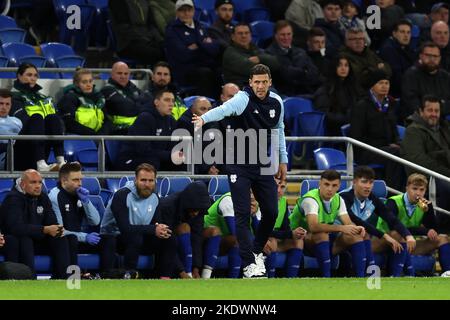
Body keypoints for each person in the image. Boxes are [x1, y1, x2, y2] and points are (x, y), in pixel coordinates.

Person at [193, 64, 288, 278]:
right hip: (239, 164)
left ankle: (255, 251)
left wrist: (283, 159)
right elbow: (223, 110)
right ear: (251, 83)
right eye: (257, 82)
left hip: (263, 163)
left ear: (270, 82)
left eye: (264, 82)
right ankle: (249, 265)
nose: (261, 86)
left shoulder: (277, 102)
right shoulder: (242, 99)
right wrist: (203, 118)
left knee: (271, 211)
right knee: (243, 213)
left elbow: (279, 130)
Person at [99, 163, 177, 278]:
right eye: (143, 180)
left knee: (169, 238)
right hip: (114, 237)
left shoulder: (155, 197)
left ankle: (164, 277)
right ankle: (129, 275)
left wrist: (161, 229)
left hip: (139, 236)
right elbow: (125, 228)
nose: (147, 184)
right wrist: (153, 229)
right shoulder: (121, 195)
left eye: (151, 181)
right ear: (135, 180)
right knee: (135, 237)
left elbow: (156, 222)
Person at [340, 166, 416, 277]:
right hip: (338, 239)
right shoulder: (344, 197)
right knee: (362, 232)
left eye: (371, 182)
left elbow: (391, 218)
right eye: (364, 182)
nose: (368, 186)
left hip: (358, 238)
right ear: (354, 182)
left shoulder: (372, 198)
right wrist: (384, 236)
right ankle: (363, 277)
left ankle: (399, 277)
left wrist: (408, 235)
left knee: (398, 235)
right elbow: (356, 220)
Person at [289, 170, 366, 277]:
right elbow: (313, 226)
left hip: (323, 244)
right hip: (301, 241)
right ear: (320, 183)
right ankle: (326, 277)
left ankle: (361, 278)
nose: (330, 189)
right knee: (322, 234)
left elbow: (348, 224)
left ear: (339, 186)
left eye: (334, 185)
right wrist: (341, 228)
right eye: (326, 184)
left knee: (355, 236)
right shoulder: (310, 199)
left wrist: (356, 229)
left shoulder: (338, 199)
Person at [0, 169, 70, 279]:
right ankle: (30, 279)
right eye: (33, 182)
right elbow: (15, 228)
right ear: (23, 184)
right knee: (24, 239)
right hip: (18, 241)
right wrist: (44, 229)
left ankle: (63, 278)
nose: (38, 186)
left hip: (37, 239)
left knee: (61, 238)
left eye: (40, 182)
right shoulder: (13, 199)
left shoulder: (43, 197)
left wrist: (56, 230)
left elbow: (51, 222)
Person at [378, 173, 450, 275]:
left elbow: (434, 231)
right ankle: (394, 276)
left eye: (422, 190)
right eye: (414, 189)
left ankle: (447, 274)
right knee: (397, 234)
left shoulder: (424, 205)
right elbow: (394, 227)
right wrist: (424, 231)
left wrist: (428, 212)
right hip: (386, 241)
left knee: (442, 238)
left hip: (407, 243)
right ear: (407, 188)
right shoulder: (393, 202)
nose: (418, 193)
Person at [350, 68, 405, 190]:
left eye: (387, 83)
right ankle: (393, 192)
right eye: (380, 83)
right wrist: (386, 146)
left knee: (406, 151)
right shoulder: (362, 106)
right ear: (372, 86)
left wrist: (398, 144)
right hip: (366, 151)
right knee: (394, 154)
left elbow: (395, 133)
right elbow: (356, 137)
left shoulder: (389, 105)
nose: (384, 86)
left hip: (386, 149)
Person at [10, 63, 66, 172]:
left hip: (42, 142)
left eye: (35, 75)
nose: (33, 78)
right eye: (29, 75)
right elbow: (20, 120)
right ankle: (40, 163)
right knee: (37, 117)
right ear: (19, 76)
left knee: (53, 118)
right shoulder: (14, 97)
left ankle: (61, 161)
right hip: (23, 144)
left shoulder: (44, 98)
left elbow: (58, 120)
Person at [401, 95, 450, 216]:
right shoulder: (413, 131)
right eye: (430, 110)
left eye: (436, 111)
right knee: (446, 187)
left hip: (443, 172)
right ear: (421, 111)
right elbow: (417, 160)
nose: (434, 114)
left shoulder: (444, 127)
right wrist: (446, 172)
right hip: (426, 176)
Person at [48, 162, 101, 267]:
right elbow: (59, 231)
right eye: (75, 180)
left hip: (78, 238)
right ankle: (72, 280)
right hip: (62, 241)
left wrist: (86, 201)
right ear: (64, 181)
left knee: (108, 240)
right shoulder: (55, 196)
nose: (80, 183)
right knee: (70, 240)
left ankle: (109, 277)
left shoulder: (78, 193)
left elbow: (95, 221)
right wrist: (85, 237)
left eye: (81, 179)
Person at [165, 0, 222, 98]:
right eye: (182, 10)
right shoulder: (172, 30)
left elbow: (214, 49)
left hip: (204, 64)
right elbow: (183, 55)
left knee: (220, 70)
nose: (186, 13)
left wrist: (197, 45)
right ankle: (206, 106)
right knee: (205, 73)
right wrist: (203, 44)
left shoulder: (200, 26)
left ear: (194, 11)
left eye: (189, 10)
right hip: (184, 70)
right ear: (177, 12)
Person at [117, 89, 182, 171]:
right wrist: (169, 155)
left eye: (173, 101)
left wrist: (177, 155)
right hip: (132, 158)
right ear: (156, 102)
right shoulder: (145, 118)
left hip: (155, 158)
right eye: (167, 100)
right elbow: (143, 150)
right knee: (152, 163)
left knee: (183, 162)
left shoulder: (171, 120)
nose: (171, 104)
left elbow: (172, 147)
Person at [202, 191, 261, 278]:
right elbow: (235, 231)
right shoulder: (229, 200)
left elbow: (259, 232)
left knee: (269, 243)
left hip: (224, 241)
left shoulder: (255, 204)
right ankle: (206, 276)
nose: (252, 197)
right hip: (205, 241)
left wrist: (253, 215)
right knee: (238, 240)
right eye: (249, 192)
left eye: (254, 192)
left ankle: (267, 279)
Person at [159, 181, 211, 278]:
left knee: (213, 231)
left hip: (183, 246)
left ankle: (201, 275)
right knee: (184, 227)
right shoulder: (167, 206)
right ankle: (187, 272)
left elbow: (197, 238)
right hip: (163, 245)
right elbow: (167, 240)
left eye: (198, 210)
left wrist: (196, 268)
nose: (196, 214)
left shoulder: (200, 209)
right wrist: (181, 272)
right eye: (194, 209)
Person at [264, 178, 307, 278]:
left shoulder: (283, 201)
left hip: (272, 238)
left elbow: (285, 229)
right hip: (256, 240)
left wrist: (296, 233)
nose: (278, 190)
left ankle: (291, 280)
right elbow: (262, 230)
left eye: (282, 187)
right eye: (275, 186)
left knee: (298, 241)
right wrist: (290, 234)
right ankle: (269, 279)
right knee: (272, 241)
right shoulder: (259, 200)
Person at [266, 20, 321, 96]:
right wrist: (304, 72)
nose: (286, 37)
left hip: (306, 92)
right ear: (276, 35)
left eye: (289, 34)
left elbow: (314, 73)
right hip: (285, 94)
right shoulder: (269, 54)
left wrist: (298, 73)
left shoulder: (301, 52)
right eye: (283, 34)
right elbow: (285, 75)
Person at [401, 42, 450, 121]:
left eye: (435, 56)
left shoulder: (446, 76)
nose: (432, 59)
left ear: (440, 58)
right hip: (417, 121)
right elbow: (411, 103)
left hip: (441, 120)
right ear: (421, 56)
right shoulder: (411, 75)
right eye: (428, 55)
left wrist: (438, 111)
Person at [109, 0, 166, 66]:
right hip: (128, 42)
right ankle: (155, 74)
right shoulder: (118, 2)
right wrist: (146, 40)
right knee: (156, 53)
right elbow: (124, 28)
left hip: (147, 39)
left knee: (167, 49)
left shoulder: (144, 1)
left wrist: (160, 41)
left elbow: (151, 25)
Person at [222, 23, 280, 88]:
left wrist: (260, 58)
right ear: (233, 37)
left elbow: (276, 62)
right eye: (240, 33)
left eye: (246, 33)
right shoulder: (230, 53)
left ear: (251, 35)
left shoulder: (255, 49)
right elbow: (251, 70)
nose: (244, 36)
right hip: (242, 90)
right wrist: (265, 63)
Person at [313, 54, 358, 137]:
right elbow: (323, 113)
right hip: (332, 128)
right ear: (334, 67)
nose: (343, 68)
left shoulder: (352, 88)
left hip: (349, 125)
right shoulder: (326, 89)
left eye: (346, 65)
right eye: (339, 65)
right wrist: (346, 120)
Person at [57, 68, 112, 136]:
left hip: (99, 136)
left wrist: (101, 134)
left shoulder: (99, 97)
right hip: (80, 138)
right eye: (84, 82)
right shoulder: (70, 98)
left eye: (90, 81)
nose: (88, 85)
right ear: (76, 83)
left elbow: (107, 120)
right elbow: (68, 122)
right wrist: (93, 134)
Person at [101, 62, 151, 134]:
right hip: (118, 131)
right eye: (119, 73)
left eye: (126, 74)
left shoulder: (132, 87)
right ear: (112, 74)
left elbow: (148, 102)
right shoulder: (107, 90)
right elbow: (126, 108)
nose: (123, 76)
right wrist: (139, 104)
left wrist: (134, 104)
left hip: (136, 129)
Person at [340, 27, 392, 96]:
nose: (358, 42)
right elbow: (361, 77)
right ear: (346, 42)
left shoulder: (370, 53)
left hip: (375, 94)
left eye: (361, 39)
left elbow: (388, 69)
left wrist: (372, 71)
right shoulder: (343, 57)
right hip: (358, 96)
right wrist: (378, 69)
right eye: (354, 39)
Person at [176, 96, 220, 175]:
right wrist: (207, 168)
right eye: (203, 109)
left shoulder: (212, 121)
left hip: (208, 163)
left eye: (209, 109)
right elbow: (187, 152)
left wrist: (213, 165)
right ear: (193, 110)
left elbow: (215, 147)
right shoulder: (184, 123)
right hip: (190, 164)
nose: (207, 112)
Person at [378, 19, 416, 98]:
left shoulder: (407, 48)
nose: (406, 35)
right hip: (396, 93)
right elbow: (396, 77)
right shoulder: (388, 49)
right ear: (394, 33)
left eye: (408, 32)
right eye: (402, 32)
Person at [0, 89, 22, 170]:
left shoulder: (17, 121)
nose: (4, 107)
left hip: (16, 155)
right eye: (1, 103)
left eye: (7, 104)